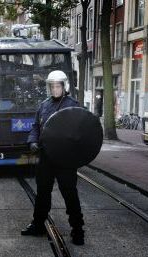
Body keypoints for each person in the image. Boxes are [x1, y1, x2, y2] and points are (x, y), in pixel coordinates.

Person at [21, 70, 85, 245]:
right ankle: (38, 224)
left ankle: (78, 229)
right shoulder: (44, 105)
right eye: (52, 86)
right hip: (46, 157)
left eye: (58, 86)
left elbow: (82, 131)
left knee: (70, 194)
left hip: (65, 160)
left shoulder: (74, 106)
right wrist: (32, 141)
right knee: (42, 193)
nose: (55, 89)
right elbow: (35, 127)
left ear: (64, 86)